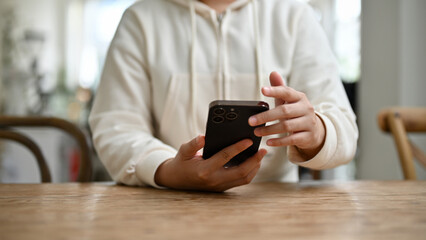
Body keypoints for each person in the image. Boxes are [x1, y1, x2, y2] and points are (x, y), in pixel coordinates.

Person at [89, 0, 358, 192]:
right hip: (170, 203)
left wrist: (316, 132)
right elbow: (116, 126)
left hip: (274, 209)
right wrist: (167, 170)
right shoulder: (141, 19)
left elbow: (343, 126)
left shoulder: (295, 15)